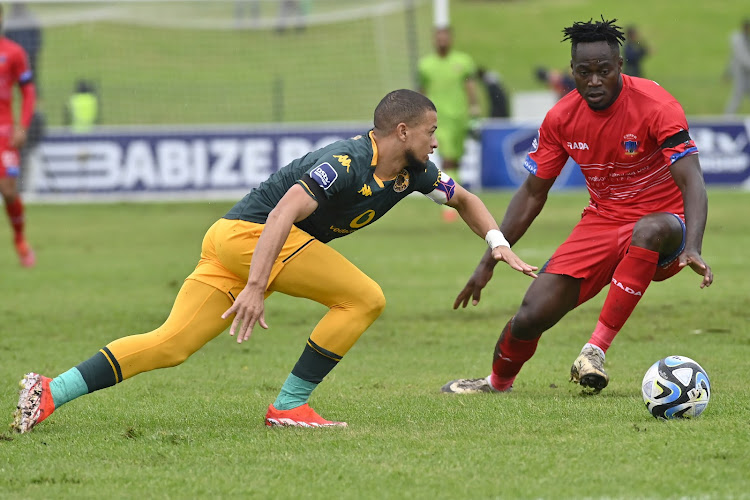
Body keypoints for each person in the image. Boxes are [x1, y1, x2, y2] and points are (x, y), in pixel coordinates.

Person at [11, 89, 537, 433]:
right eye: (430, 130)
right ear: (402, 131)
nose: (436, 139)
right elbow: (285, 212)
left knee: (170, 346)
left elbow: (465, 198)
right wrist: (258, 284)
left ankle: (50, 392)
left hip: (226, 240)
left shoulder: (413, 172)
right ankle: (288, 406)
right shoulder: (346, 161)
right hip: (251, 239)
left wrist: (496, 242)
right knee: (364, 298)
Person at [441, 17, 712, 396]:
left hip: (666, 225)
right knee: (532, 314)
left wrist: (693, 245)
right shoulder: (562, 117)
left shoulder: (656, 105)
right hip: (602, 222)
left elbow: (692, 179)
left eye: (604, 71)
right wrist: (489, 258)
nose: (595, 81)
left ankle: (594, 350)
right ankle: (497, 383)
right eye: (585, 72)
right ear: (573, 71)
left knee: (647, 230)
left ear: (620, 66)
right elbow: (533, 193)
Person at [418, 26, 481, 222]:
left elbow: (469, 86)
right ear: (433, 40)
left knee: (456, 160)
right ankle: (452, 205)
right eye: (438, 37)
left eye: (445, 37)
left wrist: (474, 107)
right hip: (438, 119)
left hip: (460, 118)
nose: (442, 40)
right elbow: (421, 91)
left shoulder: (463, 61)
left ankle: (457, 196)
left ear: (451, 39)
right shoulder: (425, 65)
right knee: (448, 159)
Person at [0, 4, 37, 267]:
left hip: (4, 130)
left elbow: (28, 91)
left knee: (9, 191)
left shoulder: (13, 52)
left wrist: (22, 126)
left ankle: (20, 240)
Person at [725, 19, 750, 115]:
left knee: (738, 95)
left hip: (747, 74)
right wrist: (728, 72)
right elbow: (741, 57)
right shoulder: (737, 39)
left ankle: (729, 116)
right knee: (737, 95)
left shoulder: (746, 39)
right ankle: (728, 118)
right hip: (740, 73)